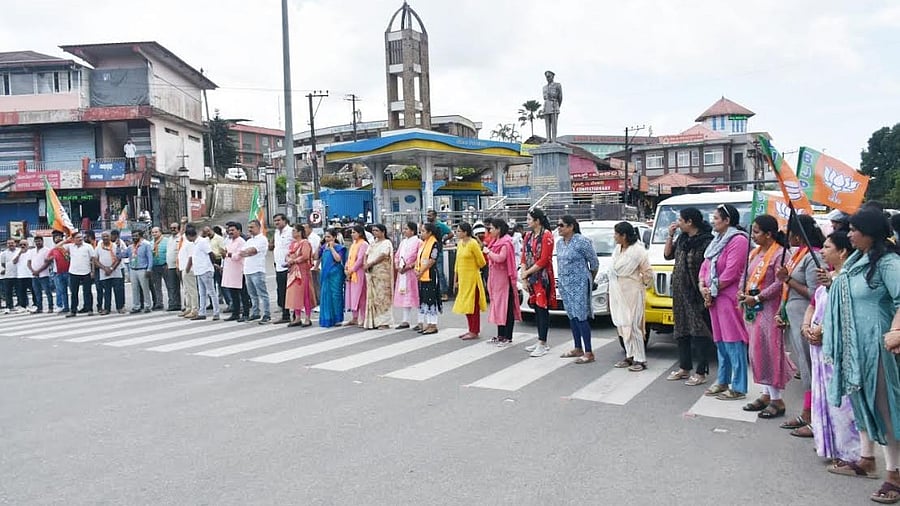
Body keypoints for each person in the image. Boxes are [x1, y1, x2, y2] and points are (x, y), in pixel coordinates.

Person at [828, 210, 900, 503]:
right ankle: (866, 459)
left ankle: (895, 474)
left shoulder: (888, 263)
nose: (849, 234)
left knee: (886, 409)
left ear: (871, 232)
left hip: (878, 348)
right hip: (855, 349)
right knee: (862, 404)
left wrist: (897, 330)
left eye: (855, 229)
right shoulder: (856, 263)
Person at [800, 231, 862, 467]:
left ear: (843, 251)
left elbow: (847, 313)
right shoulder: (828, 278)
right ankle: (830, 446)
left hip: (835, 349)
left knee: (842, 402)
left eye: (827, 247)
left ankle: (852, 453)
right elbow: (813, 305)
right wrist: (807, 326)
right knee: (823, 397)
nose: (822, 251)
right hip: (817, 345)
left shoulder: (848, 280)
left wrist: (823, 330)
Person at [738, 214, 795, 419]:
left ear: (769, 234)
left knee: (770, 352)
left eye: (756, 232)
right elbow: (745, 276)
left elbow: (781, 282)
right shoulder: (754, 253)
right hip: (753, 311)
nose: (753, 235)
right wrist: (741, 292)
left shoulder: (782, 254)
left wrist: (760, 296)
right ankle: (765, 393)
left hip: (770, 310)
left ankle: (777, 399)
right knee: (757, 352)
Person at [776, 215, 825, 435]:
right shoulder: (799, 253)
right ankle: (807, 412)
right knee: (804, 366)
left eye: (790, 232)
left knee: (809, 366)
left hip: (807, 318)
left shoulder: (814, 257)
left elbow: (816, 293)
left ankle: (815, 416)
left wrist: (788, 280)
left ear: (798, 234)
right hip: (794, 316)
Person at [700, 204, 750, 401]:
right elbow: (705, 266)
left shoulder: (738, 240)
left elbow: (731, 272)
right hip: (714, 296)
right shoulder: (717, 240)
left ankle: (738, 386)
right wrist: (702, 286)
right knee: (720, 340)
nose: (713, 221)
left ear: (727, 221)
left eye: (716, 218)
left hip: (728, 296)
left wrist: (711, 290)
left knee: (733, 339)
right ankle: (722, 380)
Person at [664, 208, 715, 386]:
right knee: (681, 330)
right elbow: (668, 255)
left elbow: (710, 269)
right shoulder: (683, 239)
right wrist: (670, 235)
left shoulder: (706, 242)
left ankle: (701, 371)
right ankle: (684, 368)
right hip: (680, 293)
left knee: (699, 331)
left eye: (681, 220)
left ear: (690, 222)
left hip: (696, 293)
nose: (678, 222)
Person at [555, 215, 598, 363]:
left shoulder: (582, 242)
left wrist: (588, 280)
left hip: (579, 284)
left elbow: (594, 263)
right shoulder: (560, 243)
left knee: (581, 316)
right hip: (565, 284)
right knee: (571, 315)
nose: (559, 228)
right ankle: (577, 347)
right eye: (558, 225)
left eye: (562, 225)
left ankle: (589, 351)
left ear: (571, 226)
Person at [609, 222, 652, 371]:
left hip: (633, 291)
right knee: (623, 325)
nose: (614, 237)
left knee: (634, 325)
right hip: (618, 291)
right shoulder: (617, 249)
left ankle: (640, 359)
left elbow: (647, 273)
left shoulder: (638, 251)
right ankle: (630, 355)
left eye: (616, 234)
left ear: (624, 236)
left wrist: (643, 284)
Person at [483, 218, 523, 347]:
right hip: (495, 279)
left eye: (492, 228)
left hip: (505, 280)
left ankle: (507, 336)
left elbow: (501, 258)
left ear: (499, 229)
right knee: (498, 306)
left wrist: (488, 252)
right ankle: (500, 335)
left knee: (506, 308)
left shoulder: (506, 242)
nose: (490, 231)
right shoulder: (495, 241)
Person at [521, 208, 555, 353]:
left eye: (530, 219)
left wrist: (527, 273)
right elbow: (523, 256)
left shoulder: (547, 236)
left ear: (537, 221)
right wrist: (524, 275)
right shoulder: (528, 236)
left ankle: (543, 341)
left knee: (542, 309)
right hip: (530, 276)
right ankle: (540, 340)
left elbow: (544, 260)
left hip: (542, 277)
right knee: (535, 308)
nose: (527, 222)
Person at [452, 222, 486, 339]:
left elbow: (482, 262)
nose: (457, 233)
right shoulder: (460, 243)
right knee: (466, 305)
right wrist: (455, 280)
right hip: (463, 279)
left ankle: (474, 330)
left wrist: (473, 267)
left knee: (473, 306)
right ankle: (470, 329)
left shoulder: (473, 244)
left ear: (465, 232)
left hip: (472, 279)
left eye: (459, 231)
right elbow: (457, 263)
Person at [361, 224, 394, 329]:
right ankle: (373, 321)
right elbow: (366, 255)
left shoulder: (386, 243)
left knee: (382, 297)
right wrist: (365, 264)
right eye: (373, 231)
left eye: (376, 230)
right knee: (372, 297)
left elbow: (383, 255)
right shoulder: (372, 243)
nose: (374, 232)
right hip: (372, 273)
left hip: (382, 274)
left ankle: (384, 322)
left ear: (383, 232)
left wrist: (370, 264)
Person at [186, 226, 219, 321]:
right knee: (202, 293)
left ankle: (216, 312)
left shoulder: (202, 242)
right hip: (199, 271)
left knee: (211, 292)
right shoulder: (195, 244)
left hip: (206, 270)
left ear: (189, 236)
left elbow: (211, 254)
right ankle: (202, 312)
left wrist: (213, 265)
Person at [241, 219, 271, 324]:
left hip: (257, 269)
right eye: (249, 227)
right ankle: (255, 312)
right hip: (248, 270)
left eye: (252, 227)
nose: (250, 229)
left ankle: (267, 314)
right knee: (252, 294)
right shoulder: (249, 241)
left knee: (262, 293)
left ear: (258, 227)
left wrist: (248, 252)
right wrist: (247, 252)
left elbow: (252, 251)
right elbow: (242, 253)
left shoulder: (262, 239)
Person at [285, 224, 315, 327]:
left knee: (305, 294)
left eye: (294, 231)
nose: (292, 233)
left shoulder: (305, 243)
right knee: (295, 295)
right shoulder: (293, 244)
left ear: (299, 232)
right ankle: (297, 317)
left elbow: (305, 256)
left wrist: (294, 260)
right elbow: (288, 255)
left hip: (302, 271)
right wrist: (289, 260)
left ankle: (307, 318)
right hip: (293, 271)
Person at [394, 221, 422, 329]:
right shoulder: (403, 242)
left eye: (406, 229)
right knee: (405, 296)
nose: (404, 231)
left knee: (417, 296)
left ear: (412, 231)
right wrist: (397, 266)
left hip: (412, 273)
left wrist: (409, 266)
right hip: (402, 273)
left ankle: (420, 321)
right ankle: (405, 320)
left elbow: (420, 258)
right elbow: (397, 256)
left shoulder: (418, 242)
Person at [222, 222, 251, 322]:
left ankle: (246, 313)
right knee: (233, 293)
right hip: (230, 270)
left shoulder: (241, 242)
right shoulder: (229, 241)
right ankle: (235, 313)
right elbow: (226, 254)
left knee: (242, 293)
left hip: (239, 270)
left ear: (239, 231)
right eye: (229, 230)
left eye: (233, 230)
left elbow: (238, 256)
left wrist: (228, 254)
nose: (231, 232)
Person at [416, 222, 442, 334]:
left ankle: (433, 324)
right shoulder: (424, 243)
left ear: (429, 232)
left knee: (431, 299)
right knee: (425, 299)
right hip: (422, 275)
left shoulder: (434, 243)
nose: (421, 233)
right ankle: (428, 323)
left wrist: (421, 271)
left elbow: (432, 259)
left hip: (430, 274)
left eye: (423, 231)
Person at [318, 229, 347, 328]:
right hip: (326, 274)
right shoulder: (323, 247)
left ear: (334, 237)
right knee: (326, 295)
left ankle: (338, 318)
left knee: (336, 295)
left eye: (329, 237)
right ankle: (327, 319)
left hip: (336, 274)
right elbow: (315, 257)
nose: (327, 239)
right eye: (325, 237)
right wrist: (319, 246)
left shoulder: (340, 248)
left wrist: (332, 248)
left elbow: (338, 259)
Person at [65, 232, 97, 318]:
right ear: (73, 239)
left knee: (87, 292)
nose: (80, 239)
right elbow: (56, 247)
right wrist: (67, 240)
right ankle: (73, 311)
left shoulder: (88, 246)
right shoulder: (70, 247)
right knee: (74, 293)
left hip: (86, 272)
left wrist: (93, 271)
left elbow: (93, 259)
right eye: (77, 237)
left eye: (81, 237)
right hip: (73, 272)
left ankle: (89, 309)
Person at [343, 224, 369, 327]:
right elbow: (349, 258)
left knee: (361, 296)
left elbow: (360, 260)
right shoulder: (354, 244)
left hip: (358, 273)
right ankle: (354, 317)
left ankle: (363, 318)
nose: (352, 234)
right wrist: (346, 267)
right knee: (352, 295)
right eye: (352, 232)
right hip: (351, 272)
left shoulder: (364, 244)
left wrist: (351, 270)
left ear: (360, 233)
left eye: (354, 232)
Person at [93, 231, 122, 315]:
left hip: (116, 272)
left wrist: (111, 268)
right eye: (104, 236)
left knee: (118, 290)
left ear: (110, 237)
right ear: (101, 238)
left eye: (107, 236)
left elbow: (119, 259)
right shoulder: (98, 247)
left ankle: (119, 307)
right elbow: (95, 260)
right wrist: (105, 268)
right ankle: (107, 309)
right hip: (104, 273)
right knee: (107, 292)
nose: (105, 238)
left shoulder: (116, 246)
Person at [426, 209, 451, 301]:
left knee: (440, 272)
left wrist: (444, 240)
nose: (428, 217)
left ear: (435, 216)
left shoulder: (440, 225)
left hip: (438, 251)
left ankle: (444, 292)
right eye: (427, 215)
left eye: (430, 215)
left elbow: (450, 233)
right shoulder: (426, 226)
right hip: (428, 251)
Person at [272, 213, 293, 324]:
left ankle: (295, 314)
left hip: (289, 266)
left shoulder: (291, 232)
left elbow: (295, 246)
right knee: (281, 291)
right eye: (275, 221)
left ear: (285, 221)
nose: (276, 223)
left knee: (291, 291)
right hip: (279, 265)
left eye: (278, 220)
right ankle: (285, 314)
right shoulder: (276, 233)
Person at [128, 230, 154, 314]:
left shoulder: (146, 245)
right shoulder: (130, 247)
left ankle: (147, 306)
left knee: (145, 288)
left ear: (140, 236)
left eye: (136, 236)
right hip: (133, 269)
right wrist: (118, 246)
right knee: (134, 289)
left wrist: (149, 269)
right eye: (133, 236)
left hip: (142, 269)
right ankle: (136, 306)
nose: (134, 237)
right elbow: (123, 255)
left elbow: (150, 257)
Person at [28, 236, 53, 313]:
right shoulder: (32, 251)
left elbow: (47, 263)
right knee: (37, 292)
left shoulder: (47, 250)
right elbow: (29, 262)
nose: (38, 243)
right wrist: (33, 271)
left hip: (44, 275)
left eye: (39, 241)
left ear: (42, 241)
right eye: (36, 241)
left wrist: (38, 271)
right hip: (34, 275)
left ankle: (50, 307)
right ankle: (39, 308)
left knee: (47, 292)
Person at [178, 228, 198, 319]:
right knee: (186, 290)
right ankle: (188, 307)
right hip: (183, 268)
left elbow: (191, 257)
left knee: (192, 290)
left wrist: (187, 268)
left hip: (188, 269)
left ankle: (194, 309)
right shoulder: (183, 242)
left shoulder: (189, 243)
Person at [47, 232, 70, 314]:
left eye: (59, 237)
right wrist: (50, 258)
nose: (58, 239)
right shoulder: (53, 249)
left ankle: (75, 305)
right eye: (56, 238)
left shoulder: (67, 246)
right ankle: (64, 306)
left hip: (69, 271)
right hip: (57, 273)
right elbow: (47, 259)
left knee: (72, 290)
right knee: (61, 291)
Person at [149, 226, 168, 311]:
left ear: (160, 232)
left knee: (169, 285)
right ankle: (159, 303)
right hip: (155, 266)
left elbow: (169, 253)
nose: (154, 234)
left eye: (156, 232)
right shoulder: (151, 243)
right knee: (157, 286)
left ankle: (173, 302)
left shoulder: (166, 241)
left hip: (164, 265)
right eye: (153, 232)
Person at [164, 223, 182, 311]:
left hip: (179, 266)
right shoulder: (169, 239)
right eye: (171, 228)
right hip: (170, 266)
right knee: (172, 286)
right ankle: (174, 304)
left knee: (184, 286)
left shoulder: (181, 238)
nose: (172, 229)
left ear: (178, 228)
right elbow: (168, 252)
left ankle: (187, 305)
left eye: (174, 228)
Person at [541, 70, 562, 142]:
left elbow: (560, 97)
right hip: (546, 106)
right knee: (547, 124)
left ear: (553, 76)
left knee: (554, 124)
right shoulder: (544, 87)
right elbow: (544, 97)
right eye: (546, 77)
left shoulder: (557, 85)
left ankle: (554, 139)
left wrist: (558, 105)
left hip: (554, 105)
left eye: (549, 76)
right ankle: (548, 139)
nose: (548, 78)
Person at [13, 239, 33, 312]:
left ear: (28, 245)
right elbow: (14, 262)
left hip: (30, 274)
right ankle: (23, 306)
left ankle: (35, 305)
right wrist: (20, 253)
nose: (23, 246)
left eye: (24, 244)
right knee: (22, 292)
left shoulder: (31, 252)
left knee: (33, 291)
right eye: (21, 245)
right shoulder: (17, 252)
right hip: (21, 275)